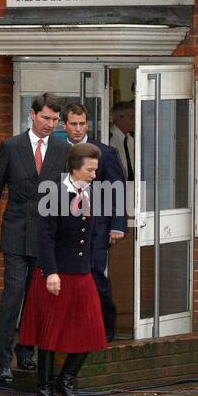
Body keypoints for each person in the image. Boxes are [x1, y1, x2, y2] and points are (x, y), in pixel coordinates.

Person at [0, 92, 69, 383]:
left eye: (55, 120)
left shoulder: (60, 148)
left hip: (47, 238)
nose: (50, 124)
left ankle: (27, 352)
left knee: (40, 300)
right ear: (32, 114)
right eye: (46, 118)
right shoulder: (11, 146)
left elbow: (66, 196)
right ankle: (3, 361)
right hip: (16, 235)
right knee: (13, 297)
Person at [19, 143, 107, 396]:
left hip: (82, 273)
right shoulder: (55, 194)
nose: (94, 174)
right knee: (50, 334)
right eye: (90, 170)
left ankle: (65, 380)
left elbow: (91, 235)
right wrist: (51, 272)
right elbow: (45, 237)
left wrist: (93, 265)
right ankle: (44, 390)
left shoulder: (92, 192)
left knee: (93, 330)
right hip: (55, 274)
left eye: (95, 169)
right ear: (75, 167)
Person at [62, 103, 127, 343]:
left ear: (88, 124)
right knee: (70, 277)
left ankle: (105, 326)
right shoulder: (58, 151)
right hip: (66, 228)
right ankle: (75, 327)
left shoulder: (105, 152)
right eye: (73, 124)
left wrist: (118, 224)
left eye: (82, 124)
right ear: (64, 125)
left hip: (98, 226)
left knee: (95, 275)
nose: (78, 129)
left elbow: (117, 190)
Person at [110, 101, 134, 181]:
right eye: (131, 117)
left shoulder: (132, 140)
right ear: (119, 118)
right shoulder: (109, 139)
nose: (134, 121)